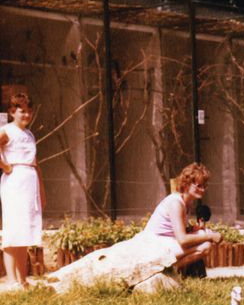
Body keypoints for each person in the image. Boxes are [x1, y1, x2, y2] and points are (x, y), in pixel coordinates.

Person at [43, 163, 222, 294]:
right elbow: (182, 239)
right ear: (186, 183)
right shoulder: (176, 202)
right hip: (153, 243)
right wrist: (210, 235)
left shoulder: (185, 203)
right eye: (197, 185)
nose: (202, 189)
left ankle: (169, 270)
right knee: (205, 243)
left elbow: (180, 232)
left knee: (202, 237)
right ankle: (167, 270)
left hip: (163, 241)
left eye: (204, 185)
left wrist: (195, 230)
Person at [0, 92, 44, 289]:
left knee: (24, 230)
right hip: (14, 182)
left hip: (29, 181)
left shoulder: (29, 134)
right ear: (11, 112)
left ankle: (22, 278)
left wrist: (41, 190)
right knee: (13, 229)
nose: (26, 115)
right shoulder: (6, 131)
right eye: (21, 111)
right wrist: (5, 166)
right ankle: (11, 279)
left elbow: (35, 163)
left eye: (28, 111)